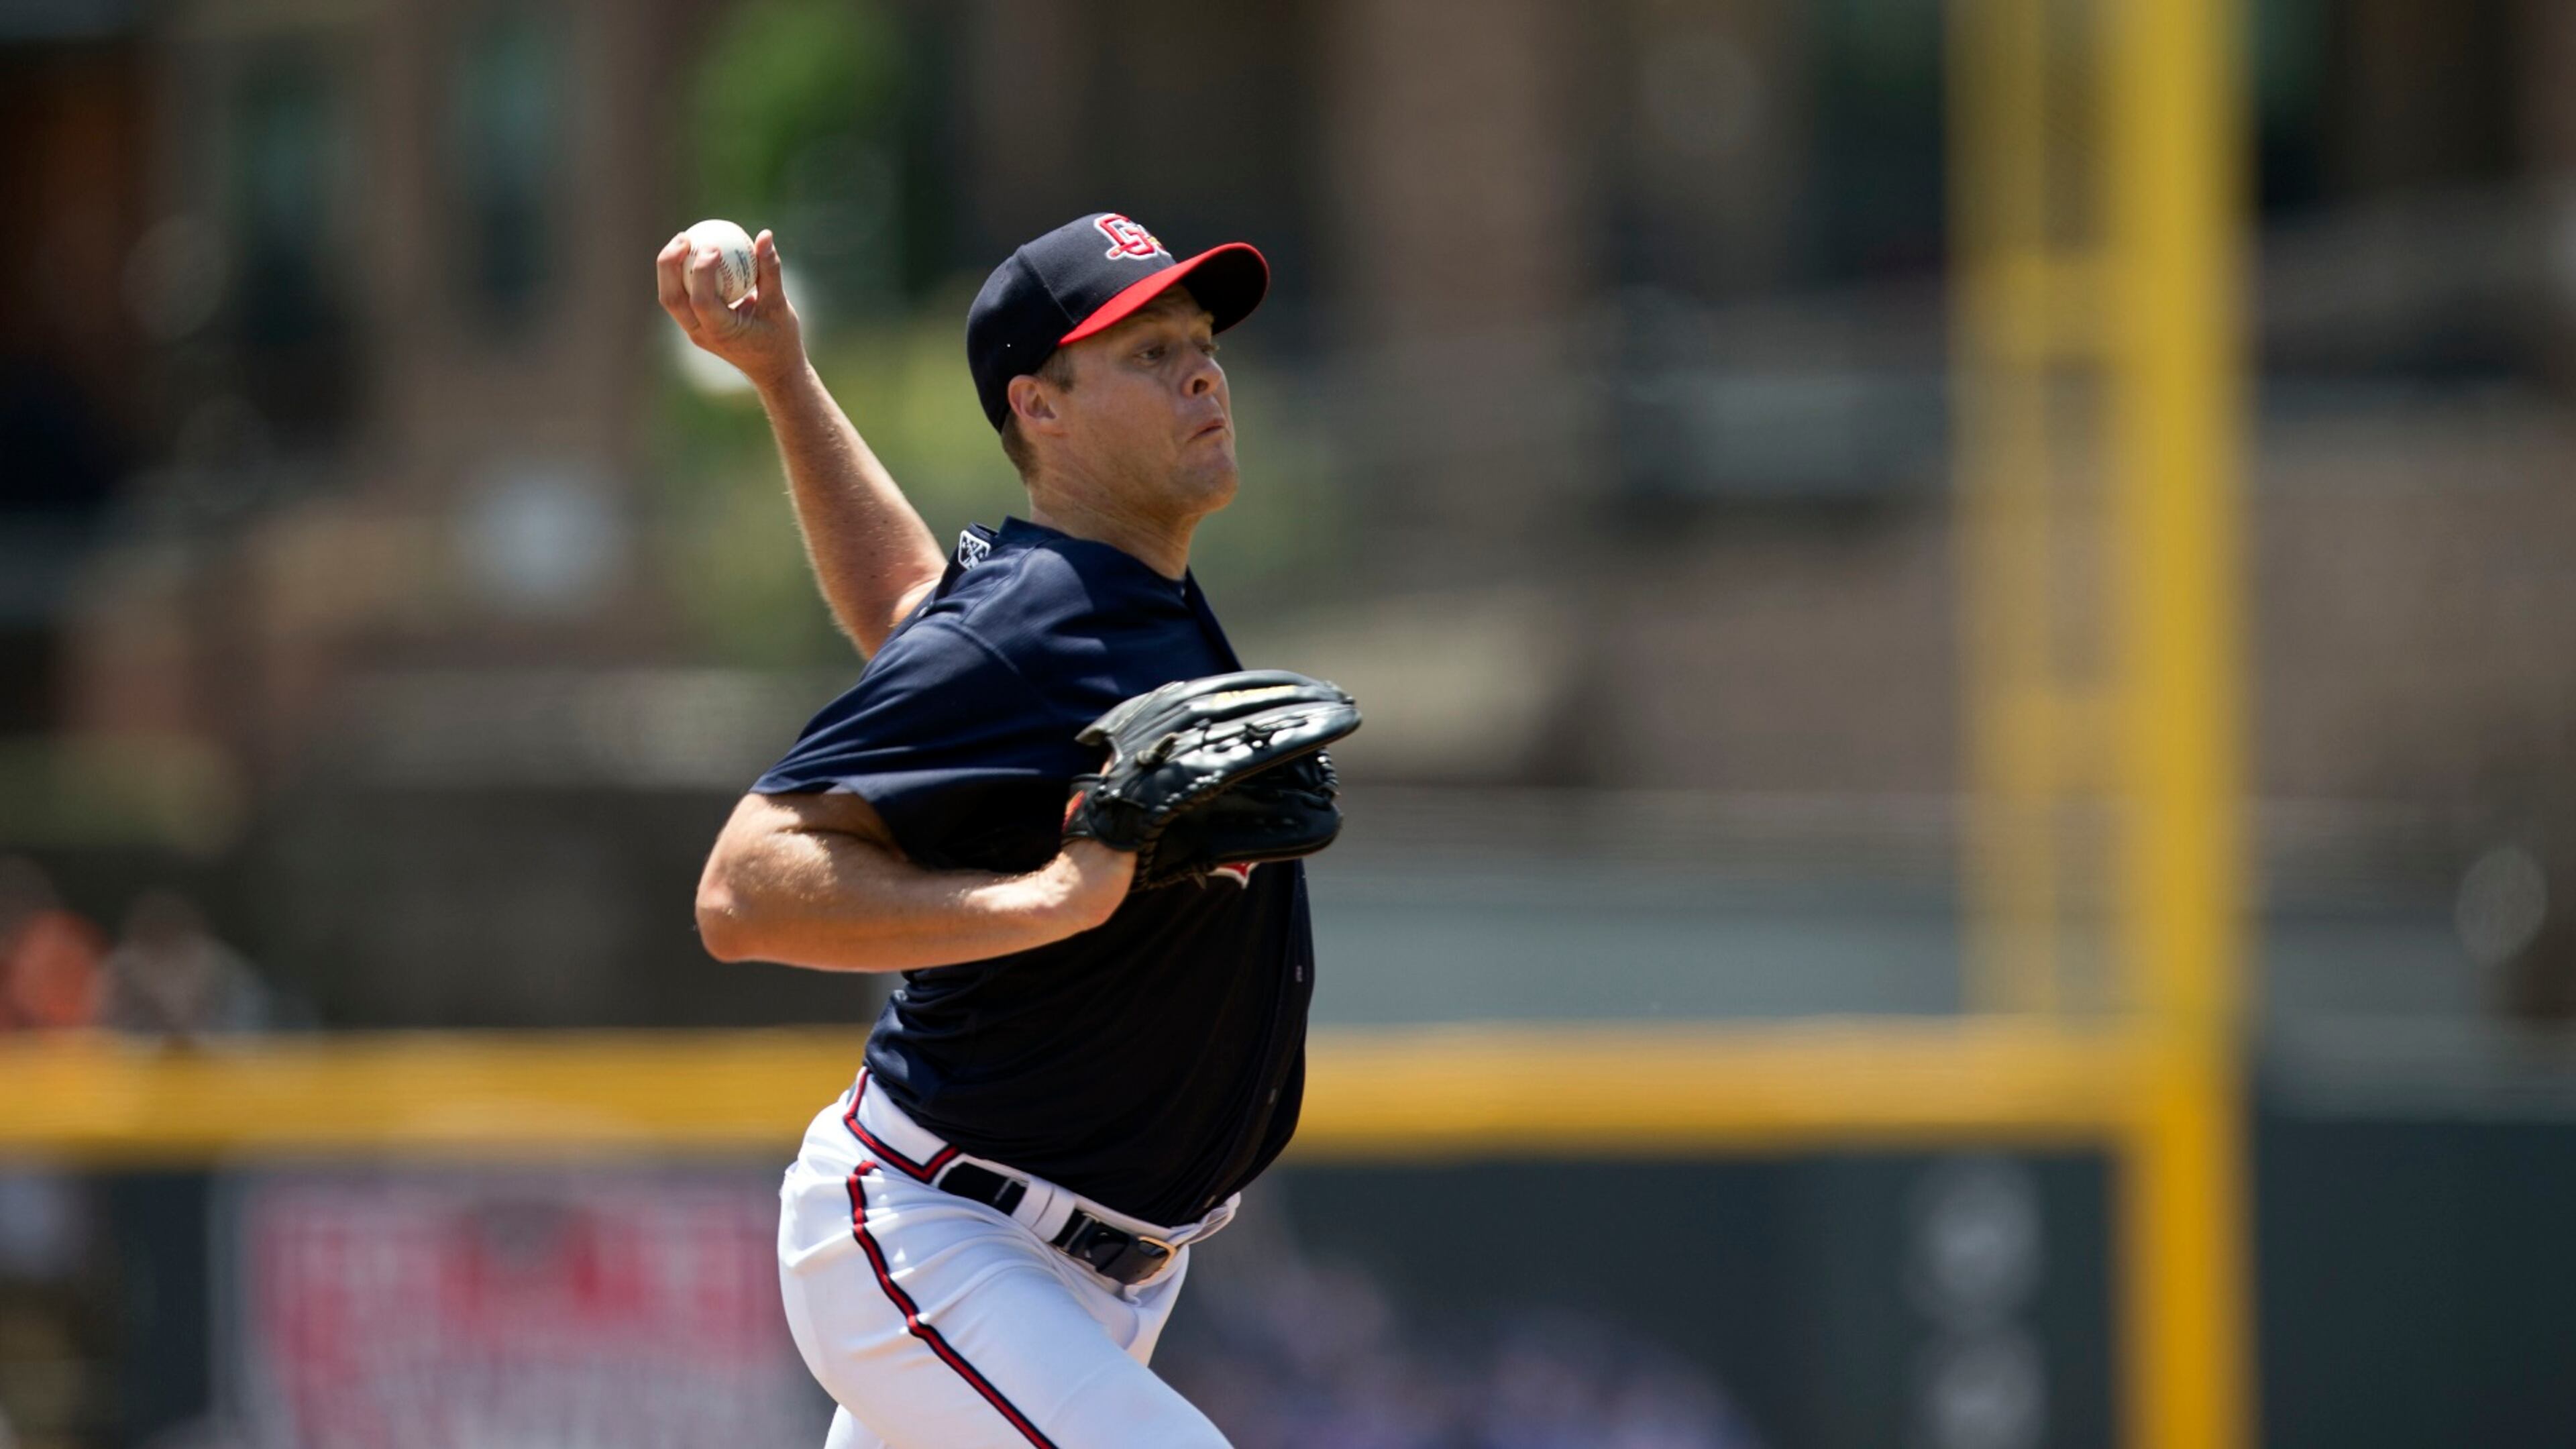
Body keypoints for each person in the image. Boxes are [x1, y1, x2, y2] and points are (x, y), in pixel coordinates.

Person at [660, 211, 1333, 1449]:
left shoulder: (1107, 599)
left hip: (1085, 1278)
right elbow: (741, 890)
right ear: (1040, 407)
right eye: (1146, 352)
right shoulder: (1039, 617)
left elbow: (912, 616)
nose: (1202, 370)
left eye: (1200, 340)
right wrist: (1042, 901)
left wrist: (785, 379)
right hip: (938, 1239)